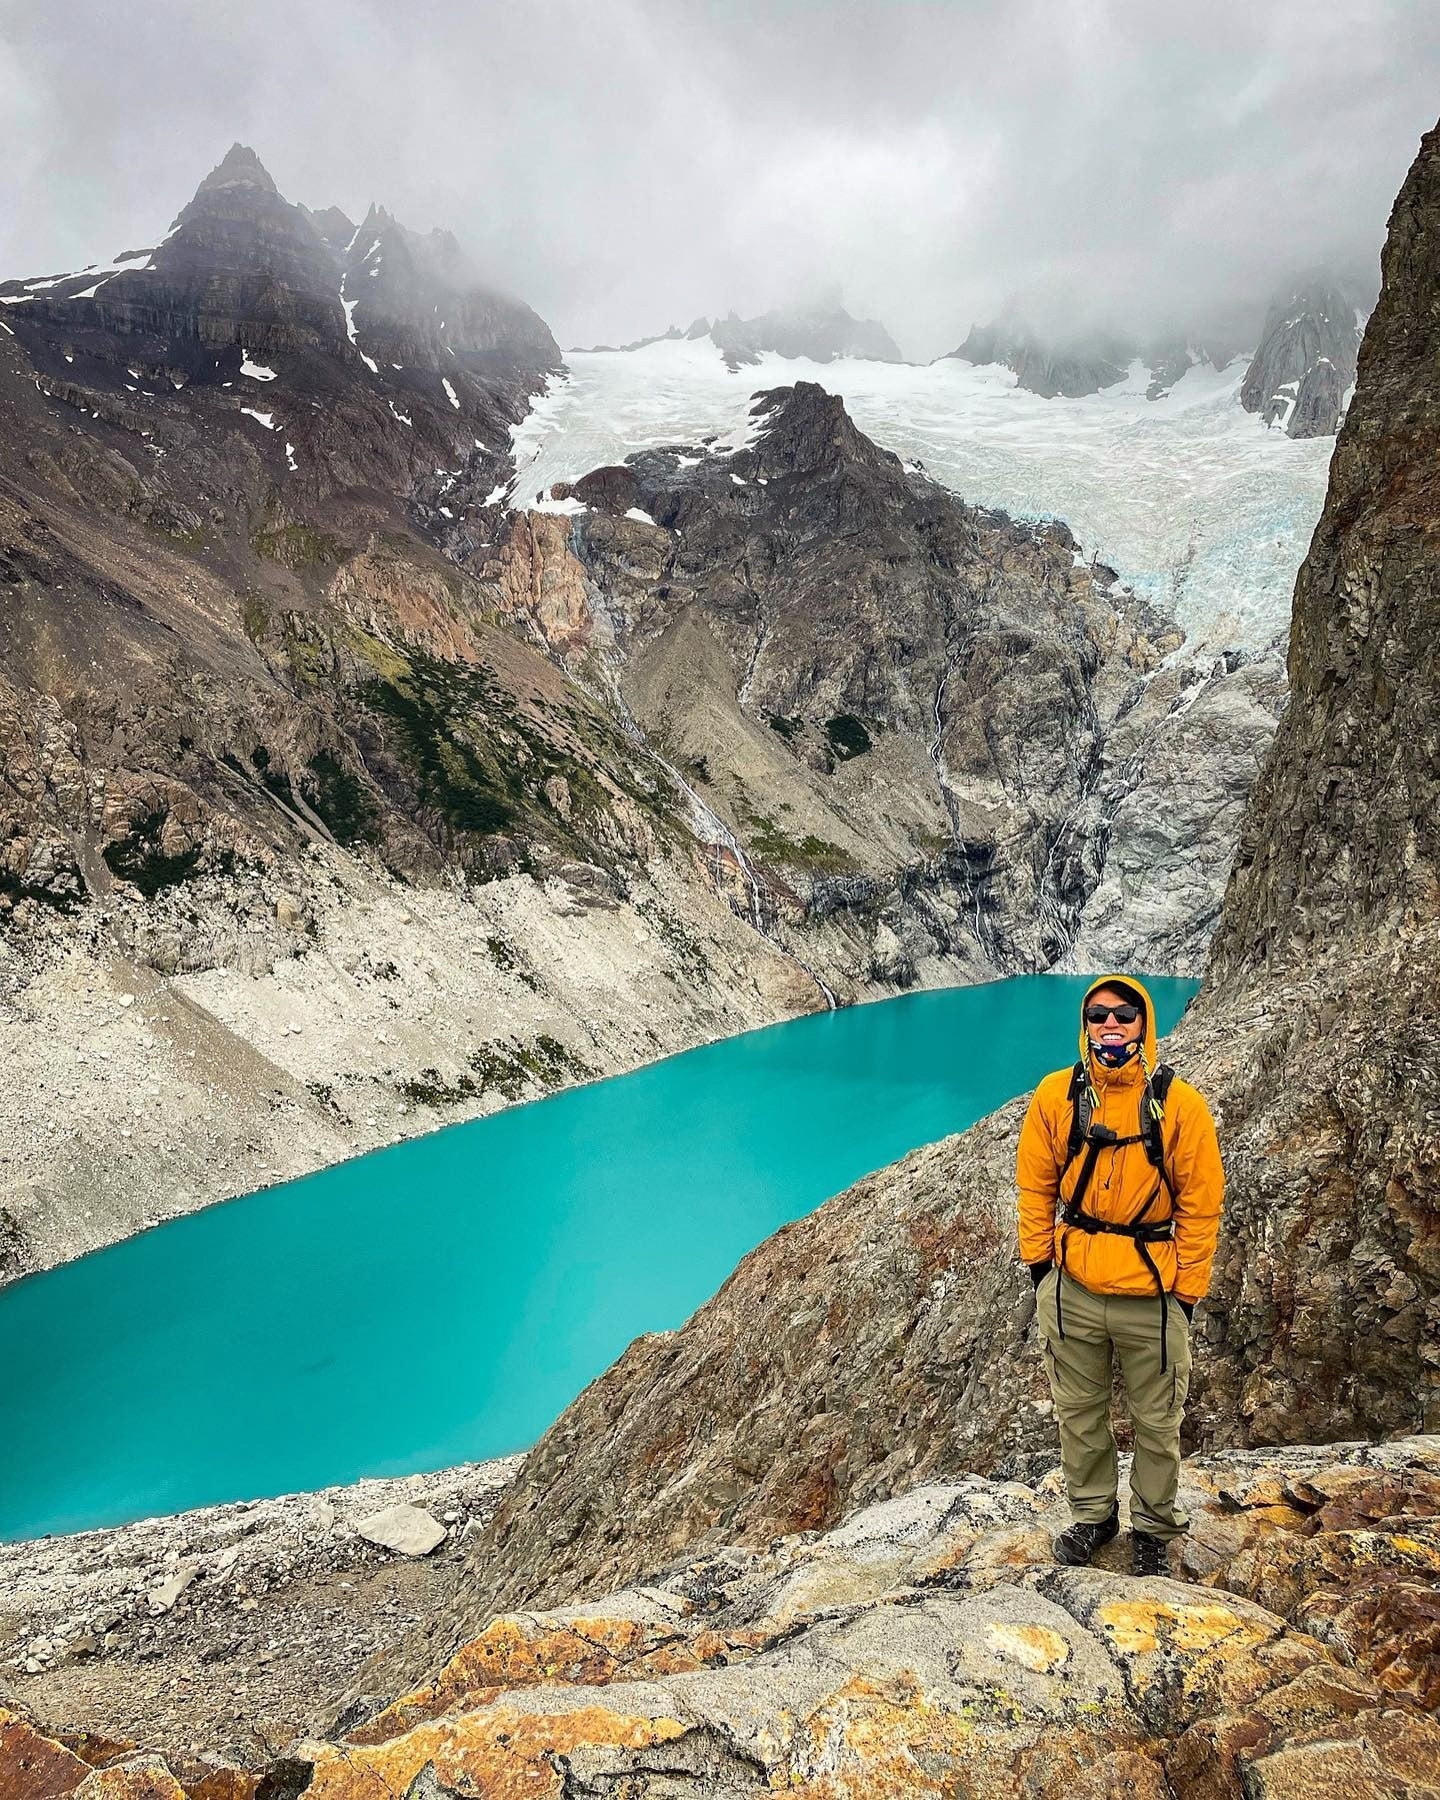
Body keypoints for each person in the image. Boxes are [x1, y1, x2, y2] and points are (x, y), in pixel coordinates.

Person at [1016, 974, 1224, 1576]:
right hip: (1072, 1287)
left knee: (1157, 1422)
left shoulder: (1179, 1105)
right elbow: (1036, 1185)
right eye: (1099, 1014)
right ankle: (1093, 1517)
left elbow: (1200, 1204)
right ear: (1085, 1025)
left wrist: (1186, 1293)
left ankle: (1153, 1528)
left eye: (1125, 1014)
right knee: (1078, 1411)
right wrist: (1041, 1271)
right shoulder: (1057, 1096)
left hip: (1151, 1296)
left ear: (1144, 1024)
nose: (1111, 1025)